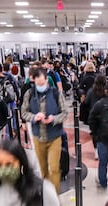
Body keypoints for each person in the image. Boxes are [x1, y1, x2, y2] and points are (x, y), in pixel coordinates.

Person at [20, 67, 68, 195]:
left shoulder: (56, 93)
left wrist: (54, 119)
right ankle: (47, 195)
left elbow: (64, 112)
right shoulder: (29, 94)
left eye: (43, 83)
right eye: (38, 83)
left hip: (54, 136)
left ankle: (54, 196)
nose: (41, 86)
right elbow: (24, 112)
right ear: (34, 81)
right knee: (43, 170)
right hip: (38, 136)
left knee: (54, 168)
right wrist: (34, 117)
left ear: (47, 80)